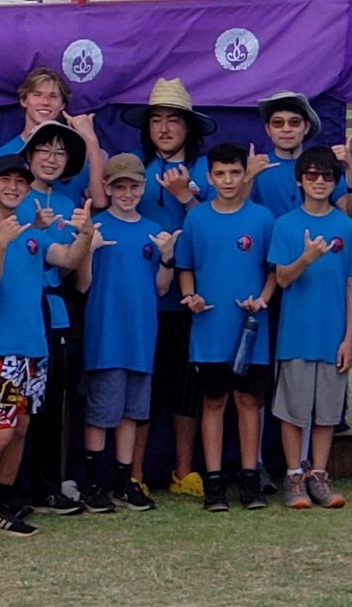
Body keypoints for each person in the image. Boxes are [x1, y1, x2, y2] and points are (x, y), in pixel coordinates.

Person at [0, 153, 92, 540]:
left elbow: (66, 259)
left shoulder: (33, 234)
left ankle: (2, 504)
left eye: (21, 181)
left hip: (35, 348)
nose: (13, 187)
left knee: (19, 430)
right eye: (6, 180)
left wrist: (84, 235)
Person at [75, 152, 178, 513]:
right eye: (120, 187)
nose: (127, 193)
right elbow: (83, 285)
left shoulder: (152, 228)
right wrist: (89, 249)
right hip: (106, 337)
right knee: (102, 413)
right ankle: (93, 482)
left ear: (143, 187)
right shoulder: (97, 227)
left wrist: (167, 257)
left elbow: (162, 288)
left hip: (141, 337)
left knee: (132, 413)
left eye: (133, 186)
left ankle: (123, 481)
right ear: (107, 187)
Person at [178, 140, 277, 511]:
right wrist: (191, 298)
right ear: (209, 177)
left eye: (235, 172)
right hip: (209, 330)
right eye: (220, 173)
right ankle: (215, 482)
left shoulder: (262, 218)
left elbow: (273, 270)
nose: (228, 179)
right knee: (214, 401)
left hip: (251, 329)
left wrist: (262, 298)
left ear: (244, 173)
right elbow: (185, 267)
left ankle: (250, 479)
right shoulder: (197, 218)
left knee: (249, 401)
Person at [268, 147, 352, 510]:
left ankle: (319, 474)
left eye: (327, 176)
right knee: (294, 411)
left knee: (326, 412)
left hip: (332, 336)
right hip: (295, 335)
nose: (320, 182)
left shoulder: (345, 227)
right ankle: (294, 475)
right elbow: (281, 278)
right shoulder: (286, 225)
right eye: (311, 175)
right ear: (299, 181)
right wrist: (306, 258)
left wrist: (349, 338)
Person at [136, 77, 209, 496]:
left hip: (190, 299)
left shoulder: (205, 170)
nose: (164, 128)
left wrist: (186, 197)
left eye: (173, 120)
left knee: (187, 387)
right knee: (143, 387)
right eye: (157, 120)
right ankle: (136, 473)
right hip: (141, 297)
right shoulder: (135, 169)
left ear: (188, 126)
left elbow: (215, 223)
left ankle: (183, 472)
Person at [20, 120, 92, 516]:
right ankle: (14, 486)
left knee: (52, 401)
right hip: (14, 311)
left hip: (56, 309)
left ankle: (48, 485)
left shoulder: (70, 206)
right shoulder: (13, 195)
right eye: (43, 150)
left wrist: (86, 240)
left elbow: (73, 273)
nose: (51, 158)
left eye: (60, 152)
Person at [0, 66, 102, 209]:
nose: (45, 102)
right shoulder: (1, 157)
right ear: (23, 100)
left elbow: (99, 202)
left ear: (62, 105)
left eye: (53, 96)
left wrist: (91, 139)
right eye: (37, 94)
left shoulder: (72, 157)